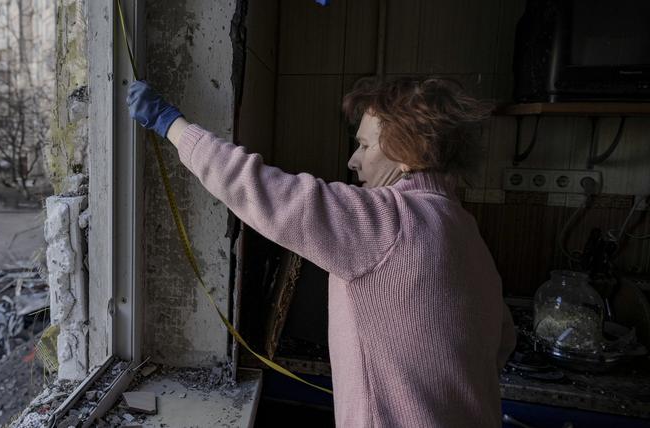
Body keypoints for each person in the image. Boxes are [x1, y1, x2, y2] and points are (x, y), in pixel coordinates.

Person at [128, 77, 516, 427]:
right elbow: (500, 345)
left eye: (365, 145)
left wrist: (171, 125)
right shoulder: (467, 234)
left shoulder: (389, 222)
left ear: (409, 153)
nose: (353, 160)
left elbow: (261, 189)